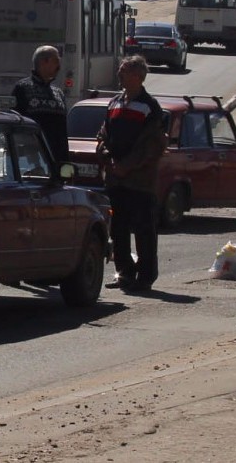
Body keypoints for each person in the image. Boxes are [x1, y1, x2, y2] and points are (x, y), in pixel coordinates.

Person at [97, 54, 167, 293]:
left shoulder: (150, 107)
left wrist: (128, 165)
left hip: (140, 181)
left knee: (144, 229)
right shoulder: (115, 103)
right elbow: (103, 136)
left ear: (138, 76)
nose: (119, 74)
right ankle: (124, 273)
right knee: (118, 230)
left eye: (124, 71)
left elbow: (153, 145)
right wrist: (107, 158)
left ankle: (145, 276)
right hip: (116, 180)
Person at [12, 45, 68, 163]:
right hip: (32, 161)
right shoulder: (22, 89)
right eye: (56, 61)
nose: (59, 67)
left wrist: (64, 161)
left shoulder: (58, 93)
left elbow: (63, 131)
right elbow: (16, 124)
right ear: (44, 62)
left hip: (56, 161)